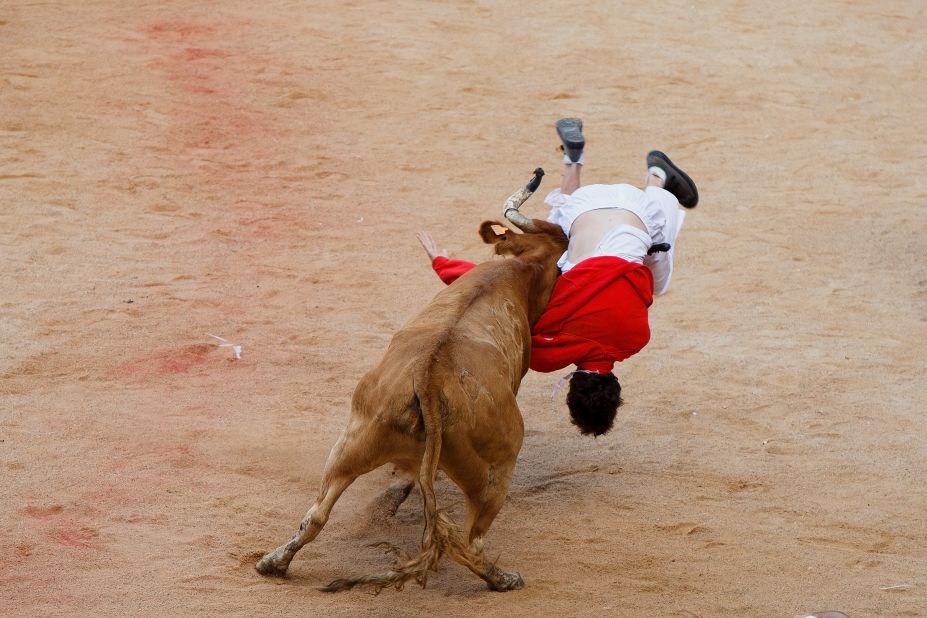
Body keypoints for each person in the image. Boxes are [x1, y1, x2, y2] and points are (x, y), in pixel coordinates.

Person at [417, 118, 698, 437]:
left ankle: (656, 178)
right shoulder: (545, 352)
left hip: (634, 209)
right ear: (571, 389)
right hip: (580, 210)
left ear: (615, 387)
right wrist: (443, 264)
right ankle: (574, 160)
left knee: (657, 275)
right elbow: (500, 287)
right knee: (558, 238)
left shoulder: (637, 338)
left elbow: (638, 290)